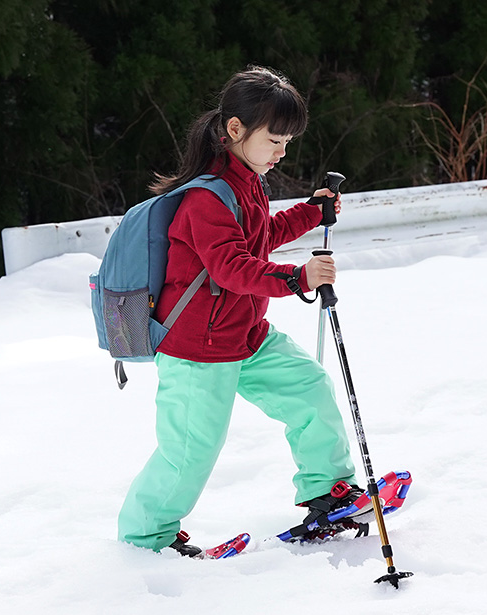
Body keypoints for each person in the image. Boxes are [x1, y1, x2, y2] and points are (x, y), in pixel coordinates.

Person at [117, 66, 362, 557]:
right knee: (190, 451)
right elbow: (230, 267)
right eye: (275, 140)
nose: (281, 152)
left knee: (308, 389)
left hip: (244, 335)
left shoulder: (248, 182)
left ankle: (327, 490)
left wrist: (312, 212)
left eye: (288, 141)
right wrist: (296, 279)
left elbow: (259, 238)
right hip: (196, 349)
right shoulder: (207, 197)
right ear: (235, 130)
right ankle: (144, 540)